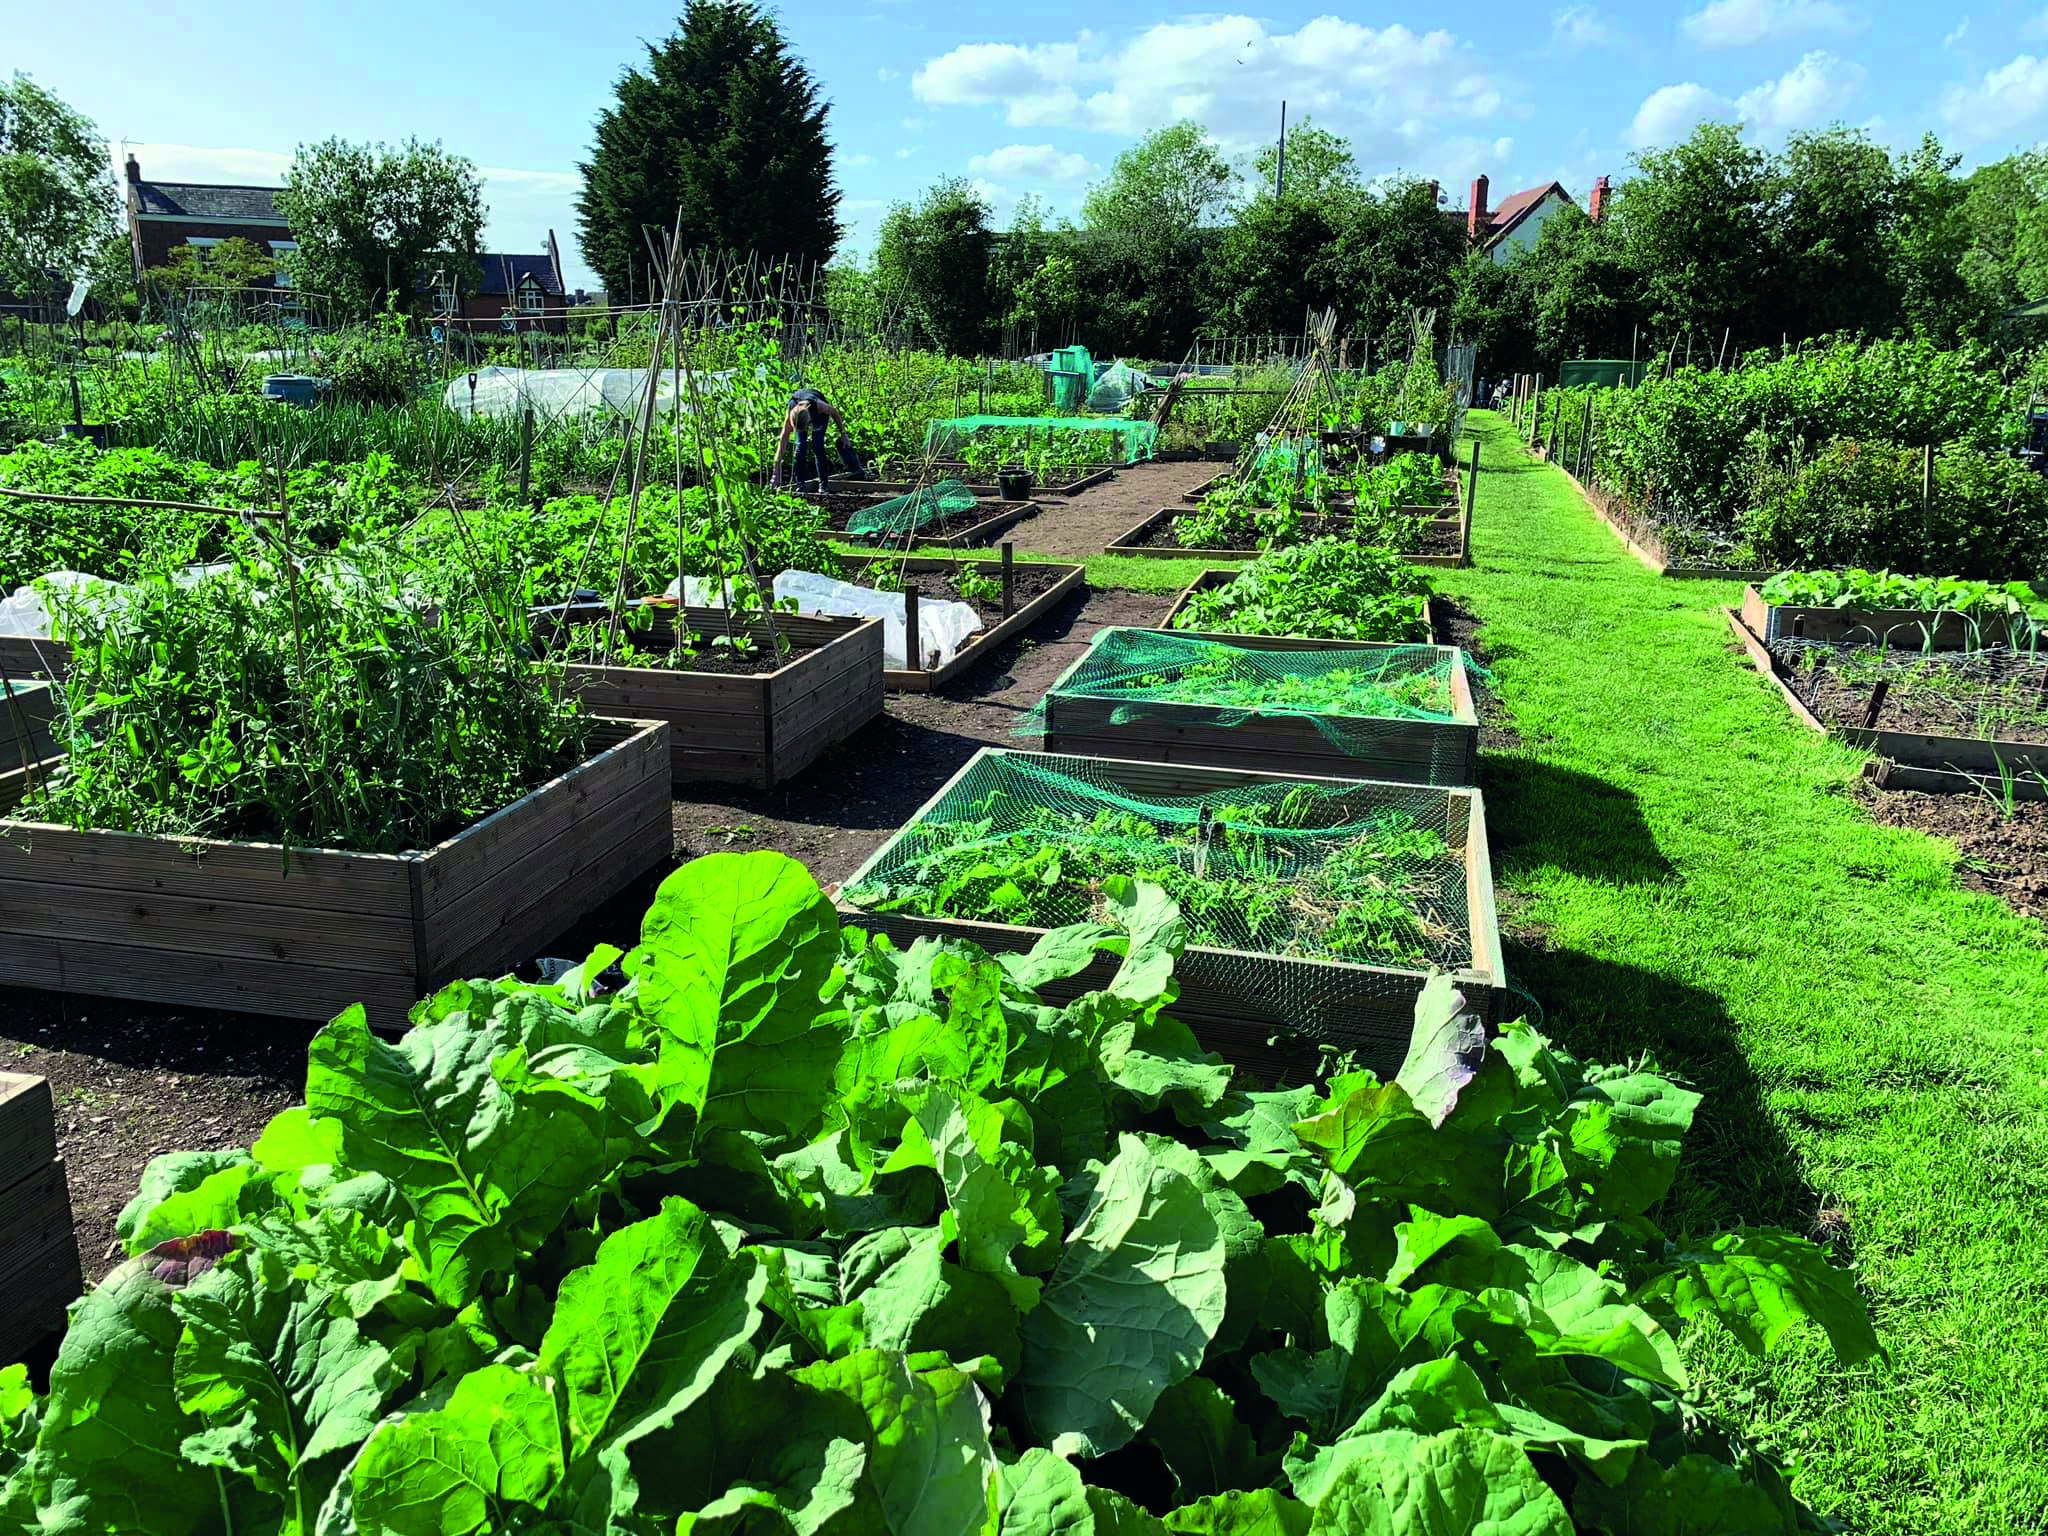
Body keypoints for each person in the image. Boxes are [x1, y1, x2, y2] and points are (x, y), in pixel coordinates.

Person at [771, 388, 865, 490]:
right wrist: (776, 473)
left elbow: (834, 413)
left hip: (820, 417)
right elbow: (782, 440)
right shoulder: (791, 412)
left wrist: (843, 434)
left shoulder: (819, 406)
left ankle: (823, 485)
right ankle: (800, 485)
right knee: (800, 447)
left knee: (818, 446)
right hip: (801, 416)